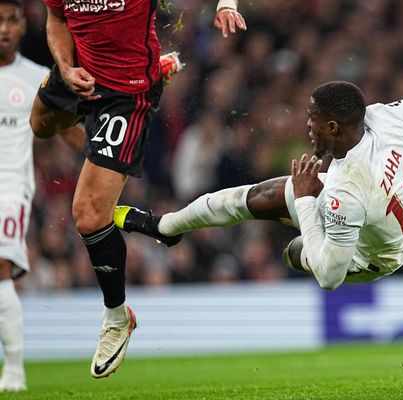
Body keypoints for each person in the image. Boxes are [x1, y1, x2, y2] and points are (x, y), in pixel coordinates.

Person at [28, 0, 246, 379]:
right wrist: (64, 66)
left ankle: (116, 316)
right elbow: (57, 17)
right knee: (41, 125)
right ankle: (124, 207)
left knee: (87, 215)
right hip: (79, 73)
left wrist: (226, 5)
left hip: (126, 95)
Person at [114, 81, 403, 291]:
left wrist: (304, 200)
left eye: (311, 119)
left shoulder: (346, 192)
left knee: (295, 252)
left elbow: (330, 277)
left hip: (378, 256)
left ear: (332, 127)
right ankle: (166, 226)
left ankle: (299, 217)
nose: (306, 126)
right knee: (259, 196)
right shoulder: (383, 118)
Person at [0, 0, 86, 391]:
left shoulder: (39, 79)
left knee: (1, 270)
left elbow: (73, 136)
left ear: (23, 26)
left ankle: (14, 370)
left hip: (8, 189)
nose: (3, 28)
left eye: (11, 20)